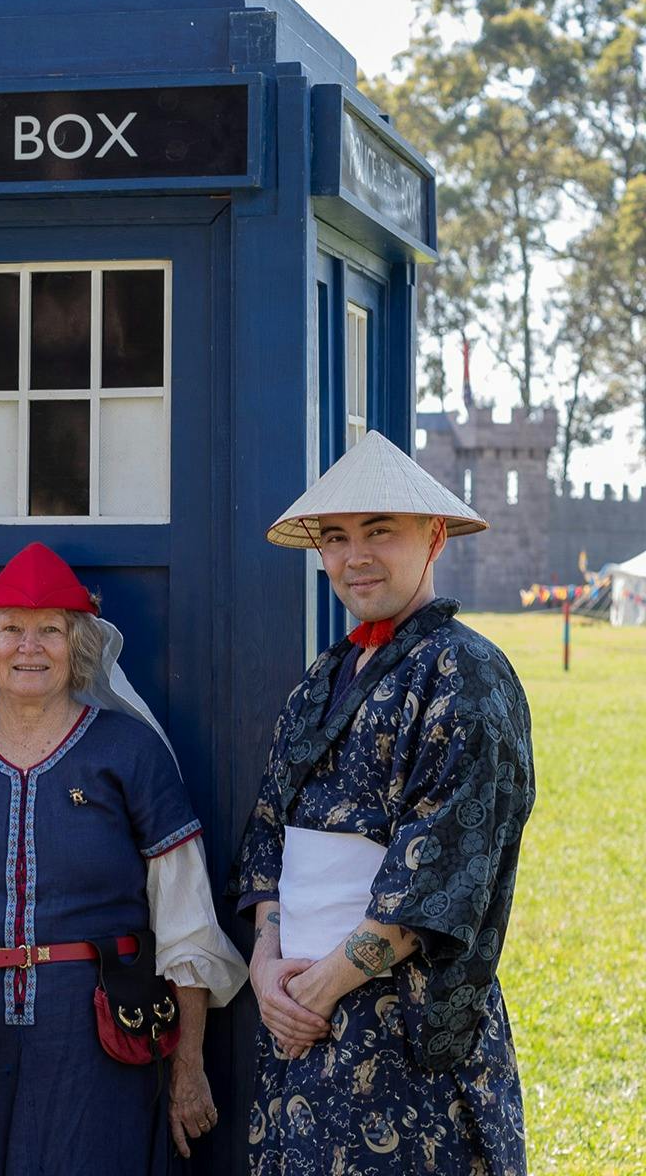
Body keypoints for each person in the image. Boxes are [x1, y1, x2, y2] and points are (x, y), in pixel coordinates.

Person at [0, 542, 246, 1175]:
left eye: (50, 630)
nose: (29, 647)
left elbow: (186, 922)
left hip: (96, 1039)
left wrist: (188, 1068)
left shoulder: (130, 752)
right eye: (12, 630)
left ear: (77, 647)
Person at [232, 430, 535, 1174]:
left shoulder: (465, 673)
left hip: (403, 1030)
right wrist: (266, 970)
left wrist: (316, 991)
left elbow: (440, 872)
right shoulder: (323, 677)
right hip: (299, 1023)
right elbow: (269, 831)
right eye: (336, 538)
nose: (355, 556)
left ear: (433, 538)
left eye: (379, 532)